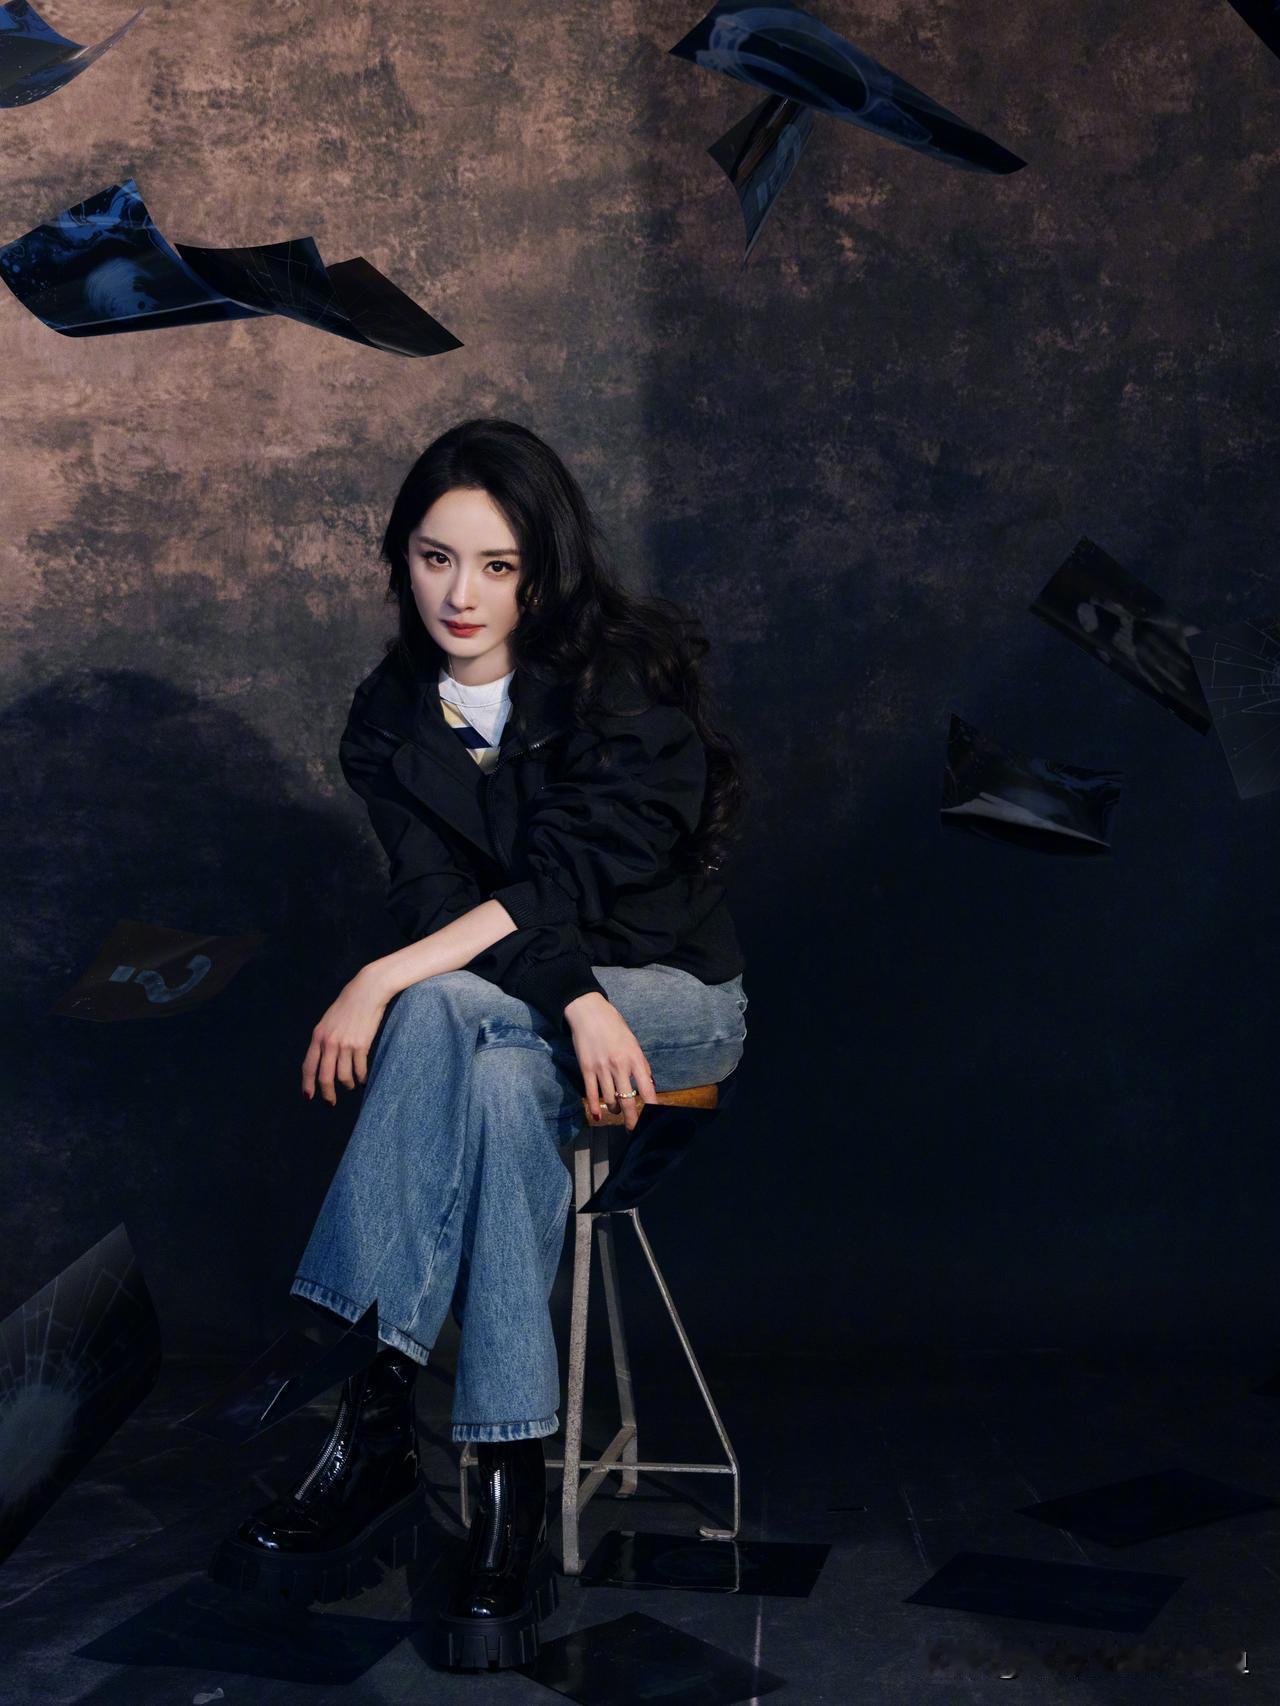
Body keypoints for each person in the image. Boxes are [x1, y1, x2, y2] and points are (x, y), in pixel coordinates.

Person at [210, 418, 750, 1670]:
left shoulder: (618, 679)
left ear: (541, 571)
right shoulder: (388, 718)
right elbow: (436, 903)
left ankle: (368, 1394)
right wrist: (560, 1000)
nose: (461, 593)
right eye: (434, 557)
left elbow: (562, 883)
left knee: (430, 1000)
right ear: (399, 558)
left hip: (671, 998)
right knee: (495, 1071)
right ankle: (506, 1492)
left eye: (496, 565)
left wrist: (388, 978)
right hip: (536, 1016)